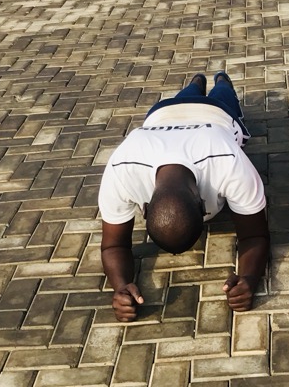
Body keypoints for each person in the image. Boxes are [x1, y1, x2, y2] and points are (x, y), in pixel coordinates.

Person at [99, 72, 270, 322]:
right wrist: (121, 285)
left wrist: (249, 278)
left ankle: (219, 81)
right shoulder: (121, 169)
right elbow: (113, 245)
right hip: (163, 113)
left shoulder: (228, 162)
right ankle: (197, 83)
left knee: (223, 94)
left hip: (216, 113)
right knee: (190, 96)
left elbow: (256, 235)